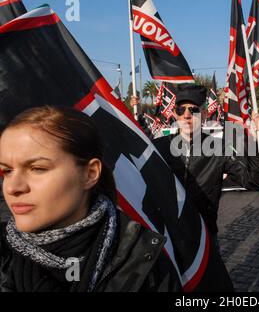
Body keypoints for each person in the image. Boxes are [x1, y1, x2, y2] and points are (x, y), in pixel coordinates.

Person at [0, 106, 180, 292]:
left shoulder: (142, 258)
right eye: (6, 171)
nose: (13, 187)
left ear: (90, 174)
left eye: (37, 169)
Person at [132, 84, 259, 248]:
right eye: (181, 110)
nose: (187, 115)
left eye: (194, 110)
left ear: (204, 114)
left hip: (205, 238)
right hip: (166, 238)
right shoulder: (157, 147)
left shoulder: (219, 148)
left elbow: (255, 181)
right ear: (175, 114)